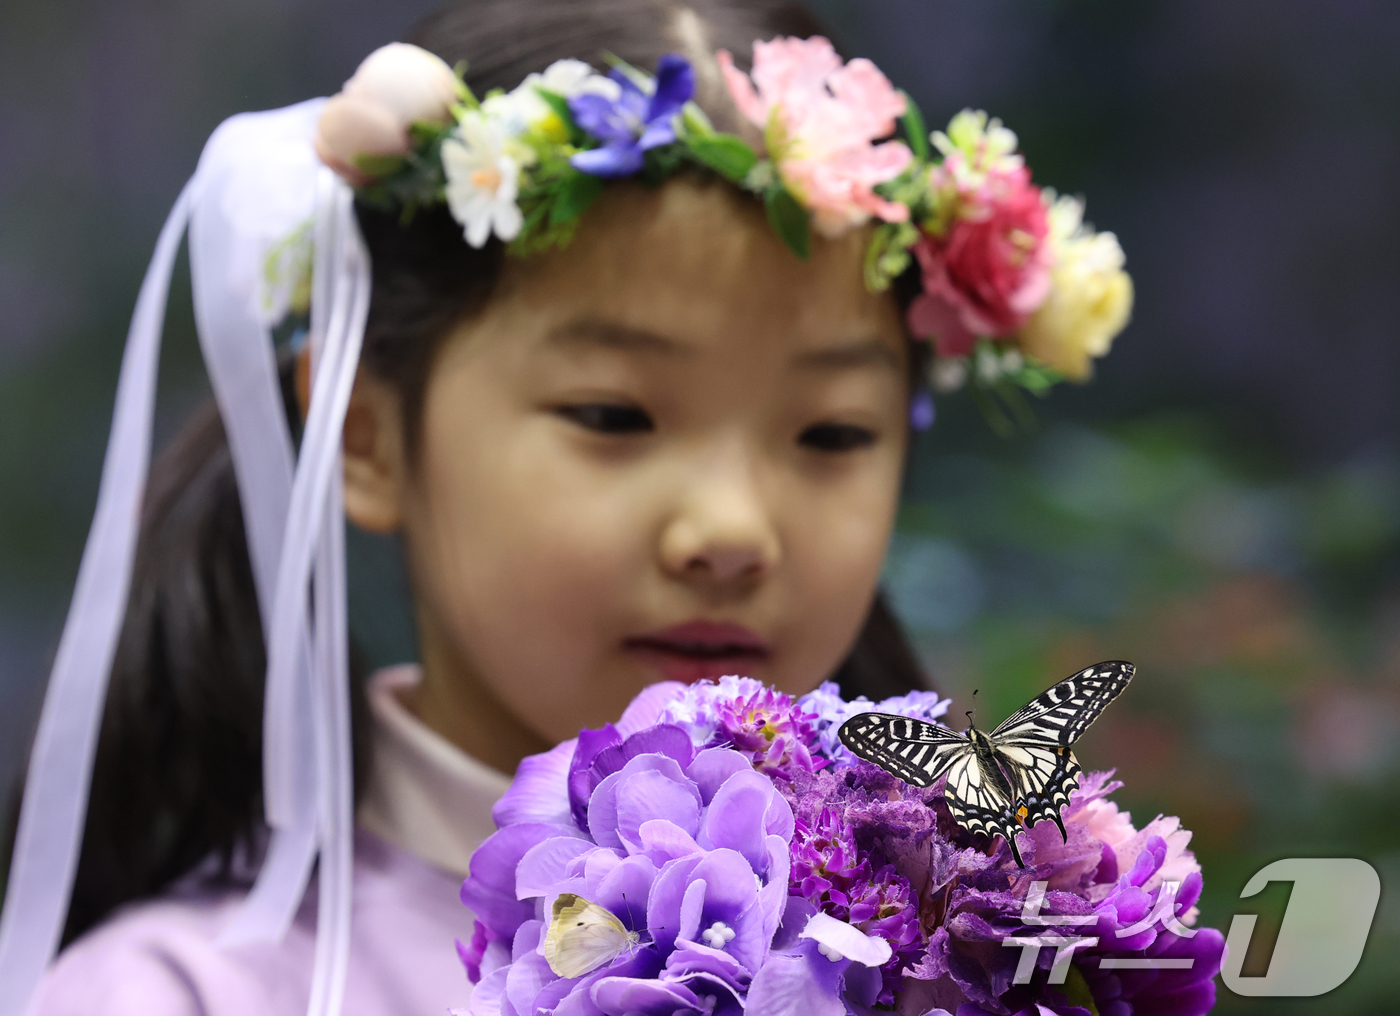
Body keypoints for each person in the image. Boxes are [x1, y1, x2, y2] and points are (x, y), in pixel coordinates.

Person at [2, 0, 1131, 1013]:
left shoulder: (977, 950)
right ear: (366, 437)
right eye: (612, 414)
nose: (732, 529)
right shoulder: (179, 993)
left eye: (830, 432)